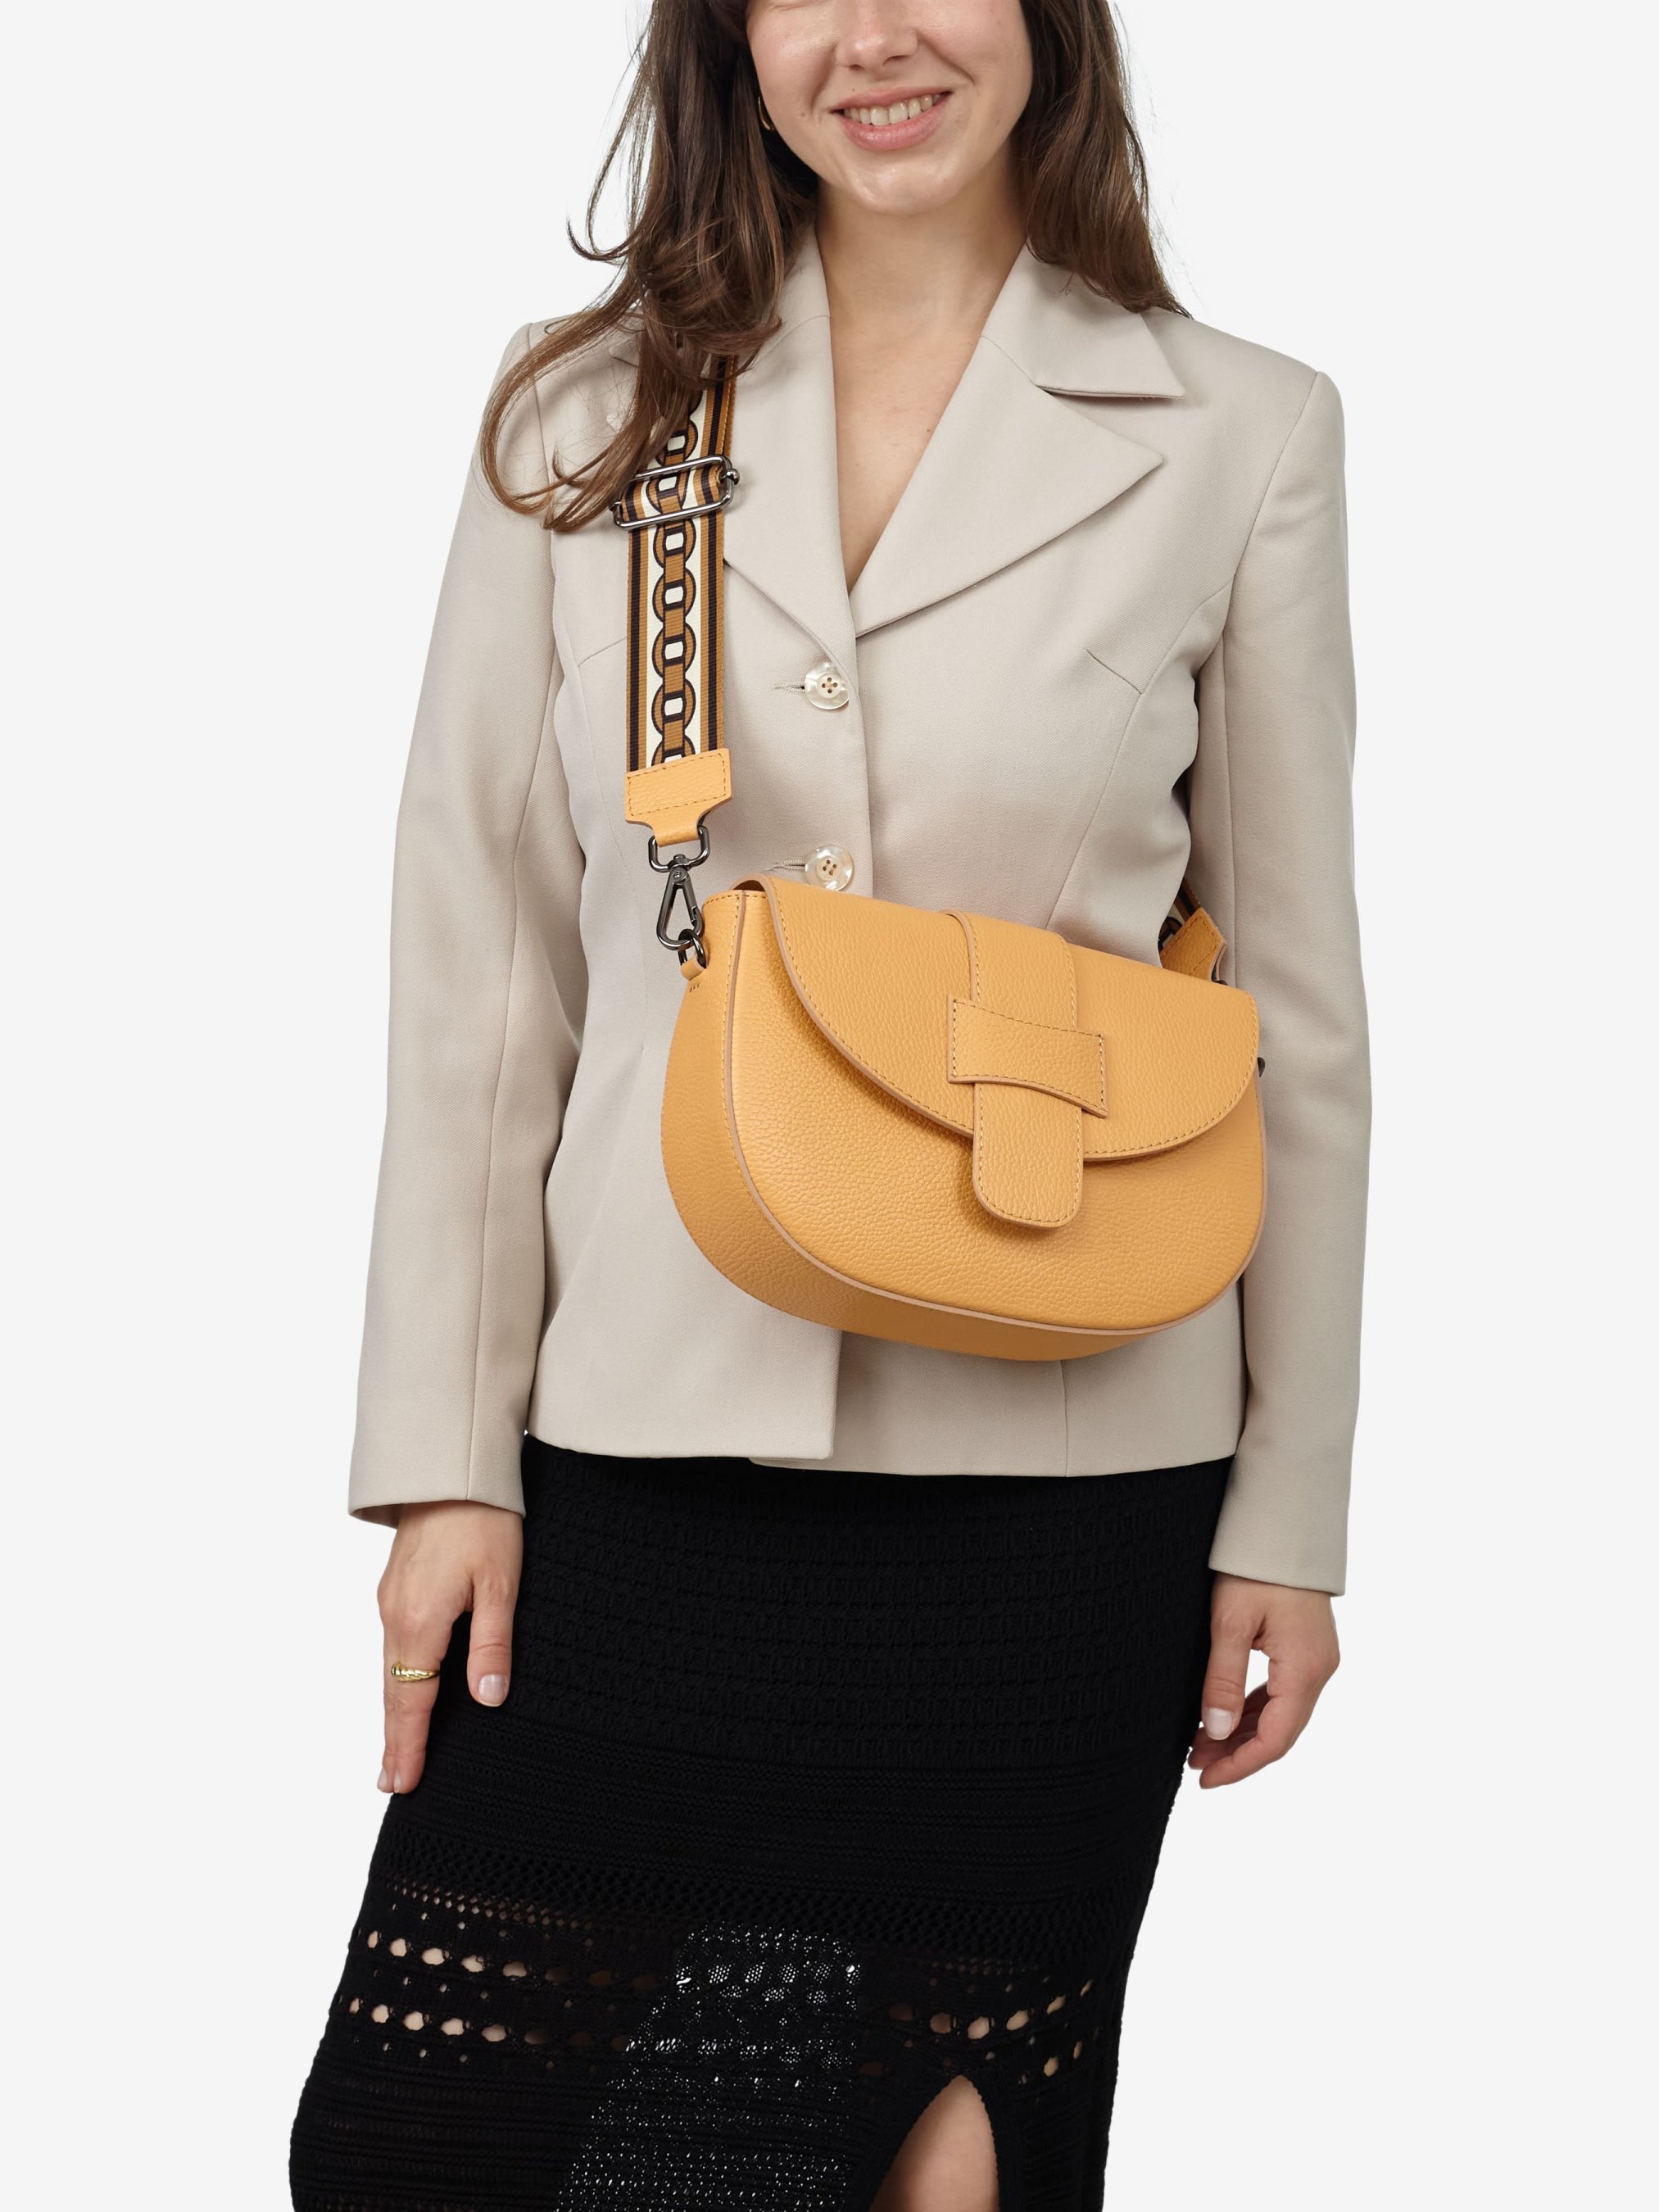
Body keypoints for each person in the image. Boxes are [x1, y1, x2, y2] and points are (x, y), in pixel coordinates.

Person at [288, 2, 1368, 2205]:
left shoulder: (1237, 429)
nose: (873, 37)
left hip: (1070, 1479)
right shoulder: (582, 415)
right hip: (638, 1436)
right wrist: (442, 1463)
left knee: (942, 2158)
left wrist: (1291, 1508)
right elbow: (482, 969)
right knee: (417, 2148)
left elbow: (1292, 1005)